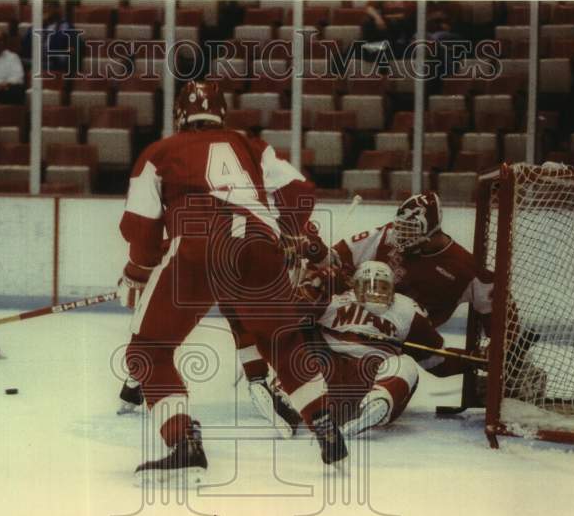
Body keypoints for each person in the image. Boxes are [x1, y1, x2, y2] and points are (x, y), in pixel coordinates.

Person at [117, 80, 337, 483]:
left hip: (197, 247)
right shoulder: (249, 144)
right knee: (283, 341)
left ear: (180, 115)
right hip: (258, 247)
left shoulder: (159, 152)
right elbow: (301, 191)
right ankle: (324, 424)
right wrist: (282, 231)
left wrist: (137, 270)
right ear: (222, 114)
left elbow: (140, 227)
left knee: (148, 350)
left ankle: (184, 440)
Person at [297, 261, 473, 438]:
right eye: (369, 286)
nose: (376, 292)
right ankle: (287, 404)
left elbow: (436, 359)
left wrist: (471, 359)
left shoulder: (406, 310)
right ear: (355, 287)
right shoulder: (336, 300)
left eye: (382, 287)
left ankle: (377, 403)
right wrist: (313, 282)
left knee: (405, 363)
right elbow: (290, 315)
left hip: (371, 379)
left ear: (393, 289)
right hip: (331, 378)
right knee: (302, 352)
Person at [329, 192, 493, 330]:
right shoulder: (388, 234)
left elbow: (496, 308)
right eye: (400, 227)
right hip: (362, 322)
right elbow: (338, 255)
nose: (400, 235)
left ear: (431, 229)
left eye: (409, 230)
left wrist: (499, 347)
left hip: (410, 338)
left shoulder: (463, 267)